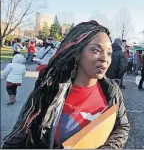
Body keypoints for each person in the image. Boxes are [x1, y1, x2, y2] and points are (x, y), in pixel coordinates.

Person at [2, 20, 130, 149]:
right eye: (96, 50)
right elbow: (18, 138)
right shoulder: (49, 91)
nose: (105, 59)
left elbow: (122, 127)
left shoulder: (112, 91)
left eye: (109, 53)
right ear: (78, 52)